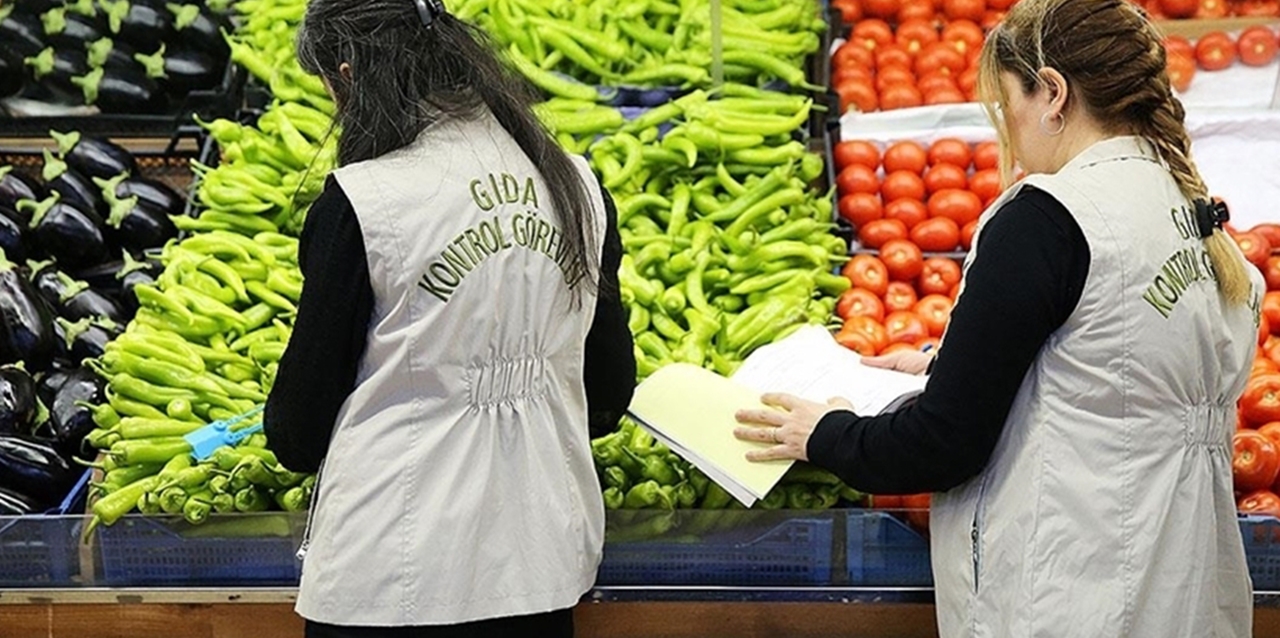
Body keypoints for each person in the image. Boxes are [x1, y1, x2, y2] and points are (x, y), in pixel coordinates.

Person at [733, 0, 1261, 635]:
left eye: (1007, 99)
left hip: (1073, 594)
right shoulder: (1191, 209)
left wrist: (823, 433)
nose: (1005, 123)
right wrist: (944, 365)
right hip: (1182, 589)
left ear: (1053, 93)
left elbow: (943, 445)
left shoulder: (1050, 217)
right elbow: (1117, 368)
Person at [261, 0, 636, 635]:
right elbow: (608, 393)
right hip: (540, 565)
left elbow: (296, 433)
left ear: (351, 75)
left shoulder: (365, 202)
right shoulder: (575, 185)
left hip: (391, 571)